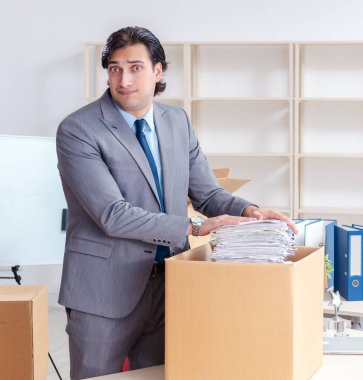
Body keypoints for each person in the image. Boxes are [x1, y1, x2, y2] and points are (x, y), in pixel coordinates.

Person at [56, 26, 297, 380]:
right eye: (114, 68)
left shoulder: (176, 122)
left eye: (135, 67)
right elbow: (112, 214)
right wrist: (196, 226)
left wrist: (249, 211)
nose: (124, 79)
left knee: (161, 374)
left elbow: (208, 194)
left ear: (157, 71)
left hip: (170, 283)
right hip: (102, 290)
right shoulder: (79, 129)